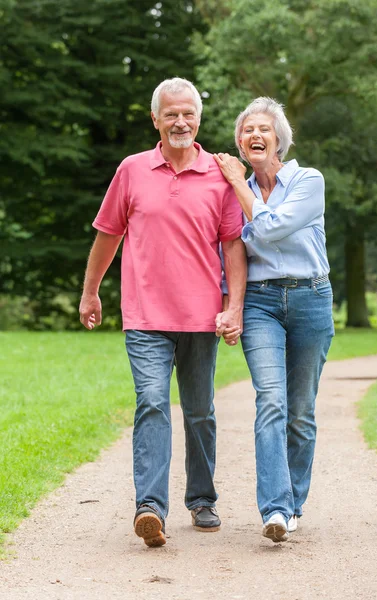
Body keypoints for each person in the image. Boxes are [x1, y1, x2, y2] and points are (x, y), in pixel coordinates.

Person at [79, 78, 247, 547]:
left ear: (199, 118)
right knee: (152, 404)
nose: (180, 122)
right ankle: (149, 507)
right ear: (155, 119)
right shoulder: (132, 170)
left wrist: (234, 305)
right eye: (171, 114)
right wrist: (90, 292)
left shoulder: (219, 173)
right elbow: (108, 234)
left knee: (199, 412)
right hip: (146, 315)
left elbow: (233, 245)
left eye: (188, 113)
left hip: (200, 318)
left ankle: (202, 499)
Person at [214, 97, 334, 543]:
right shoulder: (234, 191)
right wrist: (230, 306)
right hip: (261, 304)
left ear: (279, 138)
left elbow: (267, 229)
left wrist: (238, 185)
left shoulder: (308, 181)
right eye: (247, 131)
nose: (255, 136)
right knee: (271, 402)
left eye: (264, 128)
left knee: (300, 412)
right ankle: (277, 510)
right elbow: (231, 251)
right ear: (240, 143)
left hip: (311, 298)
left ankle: (294, 502)